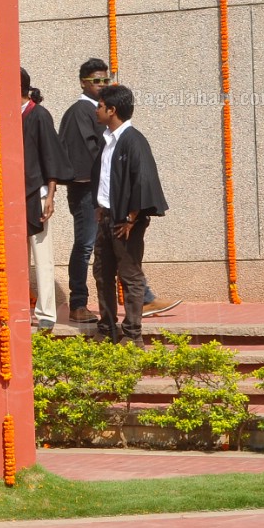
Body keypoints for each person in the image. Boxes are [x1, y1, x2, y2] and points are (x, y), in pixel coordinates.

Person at [58, 59, 179, 321]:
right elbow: (90, 158)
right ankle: (78, 304)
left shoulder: (113, 121)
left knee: (115, 250)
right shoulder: (81, 111)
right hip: (88, 193)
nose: (102, 85)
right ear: (83, 82)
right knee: (87, 246)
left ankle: (143, 299)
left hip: (104, 195)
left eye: (105, 80)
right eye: (96, 81)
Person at [92, 84, 168, 346]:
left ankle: (133, 334)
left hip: (126, 223)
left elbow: (143, 181)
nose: (97, 109)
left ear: (112, 110)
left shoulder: (134, 140)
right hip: (106, 218)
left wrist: (131, 219)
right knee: (102, 274)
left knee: (130, 276)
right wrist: (100, 209)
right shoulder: (107, 140)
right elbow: (105, 180)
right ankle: (107, 329)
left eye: (100, 105)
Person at [21, 70, 71, 331]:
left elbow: (51, 156)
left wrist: (51, 195)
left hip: (38, 196)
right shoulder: (8, 115)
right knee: (18, 259)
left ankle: (46, 314)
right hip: (14, 198)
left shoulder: (38, 115)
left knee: (43, 256)